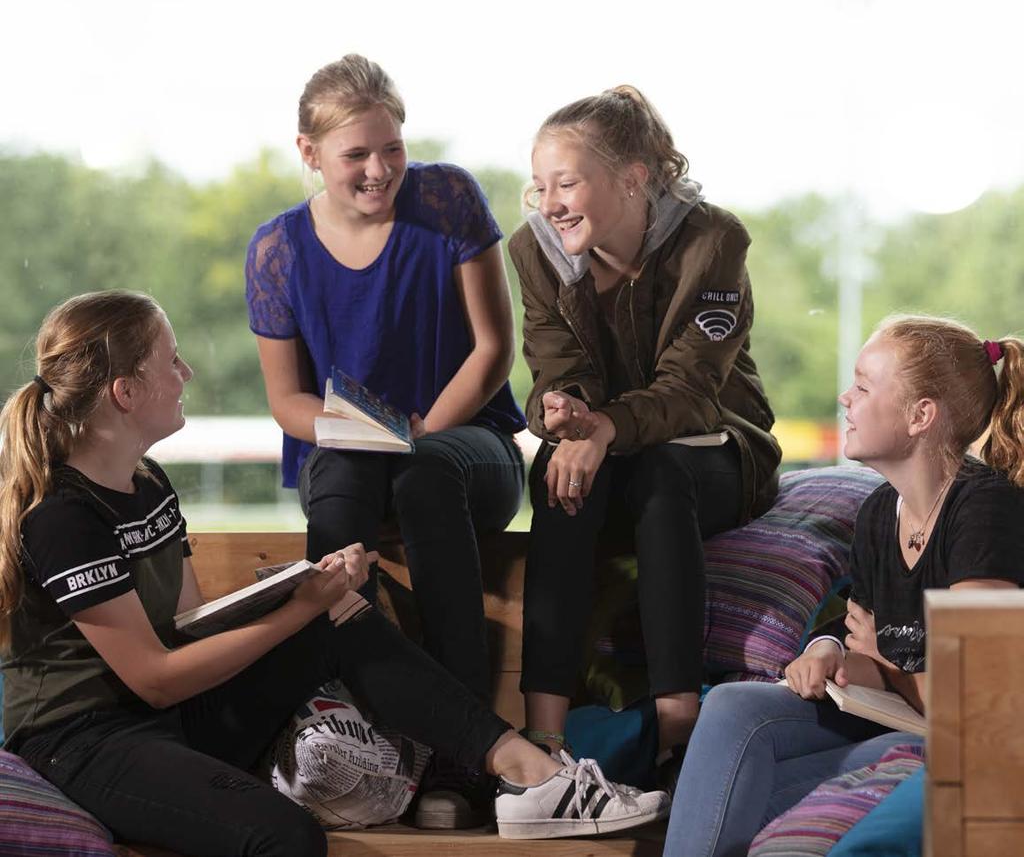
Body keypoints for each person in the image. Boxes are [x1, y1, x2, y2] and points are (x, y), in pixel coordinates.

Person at [0, 290, 671, 856]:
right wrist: (293, 611)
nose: (187, 372)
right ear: (125, 392)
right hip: (87, 739)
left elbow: (187, 630)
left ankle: (527, 775)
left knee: (335, 611)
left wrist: (295, 591)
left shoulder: (147, 483)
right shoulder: (62, 516)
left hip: (172, 715)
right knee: (284, 836)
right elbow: (152, 677)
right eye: (169, 360)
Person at [245, 54, 527, 825]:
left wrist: (421, 432)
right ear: (308, 153)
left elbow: (494, 349)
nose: (380, 170)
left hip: (469, 447)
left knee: (427, 473)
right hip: (349, 457)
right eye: (356, 155)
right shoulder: (277, 249)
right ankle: (366, 740)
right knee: (336, 493)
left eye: (392, 148)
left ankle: (466, 757)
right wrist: (360, 435)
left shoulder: (448, 197)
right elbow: (286, 400)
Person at [663, 315, 1024, 857]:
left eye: (862, 385)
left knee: (740, 795)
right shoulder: (880, 511)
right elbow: (874, 655)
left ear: (921, 415)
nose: (844, 397)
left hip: (972, 746)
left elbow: (979, 707)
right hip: (906, 721)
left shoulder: (986, 510)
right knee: (733, 708)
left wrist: (887, 660)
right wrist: (830, 654)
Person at [508, 86, 782, 763]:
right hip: (610, 456)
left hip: (716, 451)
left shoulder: (713, 240)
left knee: (660, 473)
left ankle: (677, 734)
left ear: (633, 179)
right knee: (556, 472)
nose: (549, 204)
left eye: (566, 183)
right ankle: (543, 736)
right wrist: (565, 413)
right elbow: (553, 362)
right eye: (539, 186)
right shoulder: (533, 250)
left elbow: (690, 391)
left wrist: (603, 427)